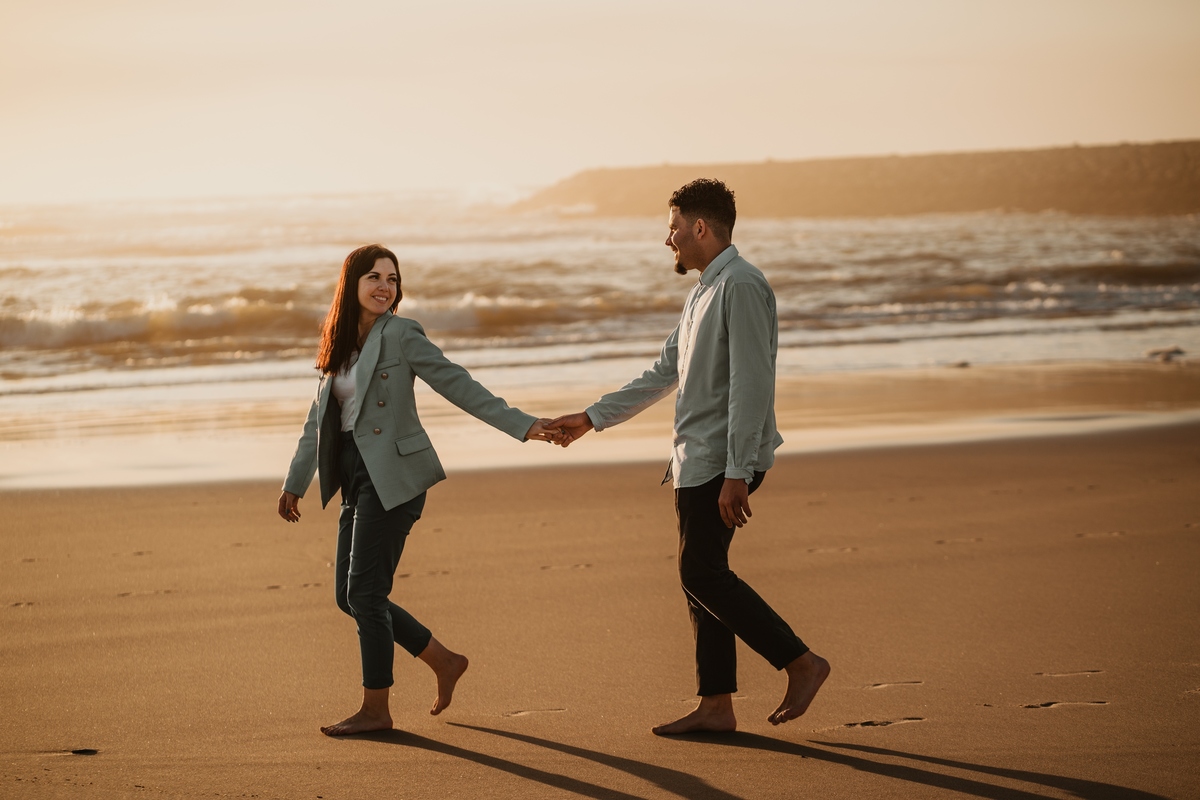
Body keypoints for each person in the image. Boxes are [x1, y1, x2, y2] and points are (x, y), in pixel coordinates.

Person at [548, 179, 830, 735]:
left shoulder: (742, 286)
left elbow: (752, 383)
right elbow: (663, 373)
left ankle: (801, 662)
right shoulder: (704, 290)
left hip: (723, 460)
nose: (668, 238)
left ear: (700, 228)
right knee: (701, 575)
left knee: (700, 570)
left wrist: (738, 471)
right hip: (694, 458)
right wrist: (592, 417)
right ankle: (717, 706)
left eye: (674, 226)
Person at [278, 243, 562, 736]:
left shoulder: (402, 334)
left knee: (365, 593)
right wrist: (295, 482)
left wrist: (525, 425)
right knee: (351, 598)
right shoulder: (338, 343)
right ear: (352, 284)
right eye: (373, 276)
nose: (385, 286)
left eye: (392, 277)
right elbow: (317, 422)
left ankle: (376, 709)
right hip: (354, 475)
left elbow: (459, 385)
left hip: (396, 478)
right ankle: (445, 660)